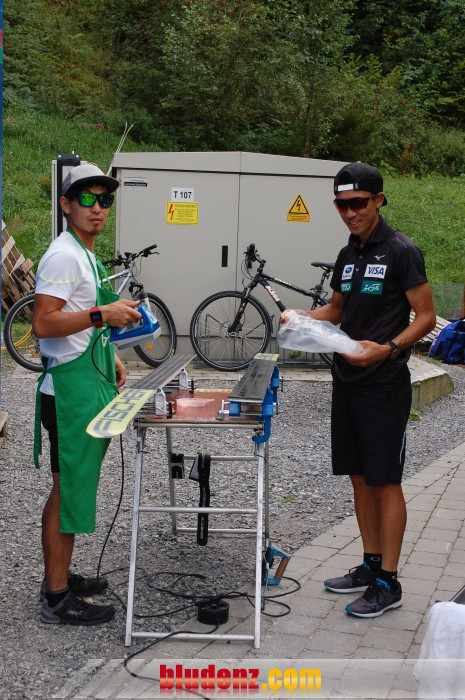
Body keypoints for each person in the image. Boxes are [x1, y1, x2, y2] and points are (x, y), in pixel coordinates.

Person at [282, 162, 436, 618]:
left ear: (378, 200)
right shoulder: (348, 254)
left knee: (385, 481)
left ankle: (389, 581)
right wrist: (302, 317)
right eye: (342, 205)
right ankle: (370, 565)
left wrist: (387, 349)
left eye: (358, 203)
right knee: (358, 477)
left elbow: (426, 316)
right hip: (346, 382)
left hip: (384, 385)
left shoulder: (402, 250)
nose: (350, 213)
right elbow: (336, 309)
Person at [33, 163, 142, 626]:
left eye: (105, 200)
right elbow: (43, 322)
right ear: (66, 204)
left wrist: (111, 353)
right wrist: (101, 315)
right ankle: (57, 598)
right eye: (87, 199)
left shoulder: (85, 253)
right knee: (69, 490)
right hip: (68, 393)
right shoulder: (63, 256)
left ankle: (60, 577)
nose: (97, 208)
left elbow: (80, 316)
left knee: (71, 487)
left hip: (86, 382)